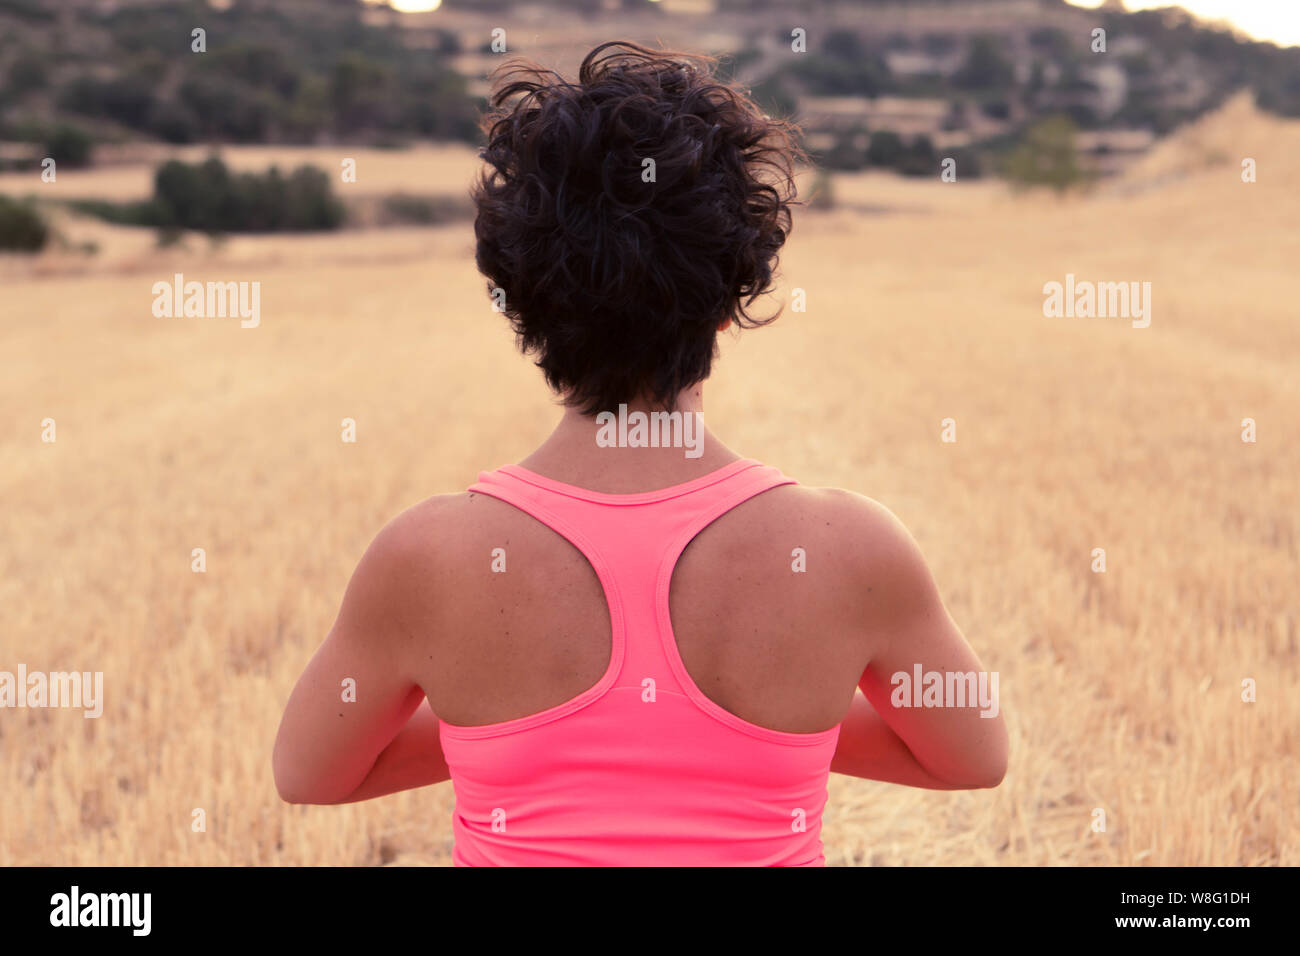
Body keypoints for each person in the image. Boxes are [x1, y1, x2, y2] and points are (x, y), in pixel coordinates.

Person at [273, 41, 1007, 866]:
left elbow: (311, 772)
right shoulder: (853, 552)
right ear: (730, 301)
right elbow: (973, 756)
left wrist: (498, 729)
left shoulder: (426, 558)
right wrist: (776, 728)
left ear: (521, 309)